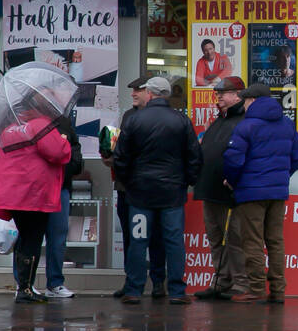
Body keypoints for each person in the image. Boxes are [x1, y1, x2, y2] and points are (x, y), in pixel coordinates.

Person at [111, 77, 202, 305]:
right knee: (173, 241)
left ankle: (134, 289)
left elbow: (121, 157)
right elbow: (194, 157)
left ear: (149, 94)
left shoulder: (134, 120)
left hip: (140, 194)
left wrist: (129, 181)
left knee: (138, 240)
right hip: (172, 193)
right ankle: (177, 291)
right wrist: (186, 181)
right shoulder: (181, 120)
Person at [222, 83, 298, 303]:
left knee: (253, 241)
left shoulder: (246, 126)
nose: (244, 105)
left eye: (245, 101)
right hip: (277, 192)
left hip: (251, 193)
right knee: (275, 240)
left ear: (252, 101)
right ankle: (278, 290)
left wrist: (232, 181)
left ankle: (257, 289)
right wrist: (282, 176)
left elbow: (233, 159)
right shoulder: (286, 124)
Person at [0, 112, 72, 304]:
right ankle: (25, 289)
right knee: (32, 239)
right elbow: (58, 152)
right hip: (32, 193)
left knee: (24, 238)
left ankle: (23, 286)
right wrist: (64, 140)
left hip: (14, 192)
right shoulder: (40, 125)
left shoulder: (9, 128)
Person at [101, 76, 167, 298]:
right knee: (130, 238)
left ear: (150, 92)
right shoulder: (128, 116)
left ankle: (159, 282)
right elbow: (121, 147)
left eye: (138, 90)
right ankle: (131, 281)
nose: (133, 93)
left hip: (151, 187)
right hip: (126, 186)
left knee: (156, 237)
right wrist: (110, 153)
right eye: (133, 90)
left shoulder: (164, 117)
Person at [193, 76, 248, 301]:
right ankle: (221, 280)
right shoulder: (219, 120)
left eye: (223, 94)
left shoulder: (244, 121)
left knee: (235, 239)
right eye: (218, 94)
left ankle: (240, 283)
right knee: (216, 238)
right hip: (210, 188)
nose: (219, 98)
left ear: (238, 95)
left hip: (231, 191)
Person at [42, 109, 83, 298]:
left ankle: (55, 283)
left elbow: (76, 159)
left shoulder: (64, 123)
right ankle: (23, 284)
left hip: (60, 187)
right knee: (29, 237)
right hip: (35, 188)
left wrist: (62, 167)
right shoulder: (26, 121)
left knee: (58, 237)